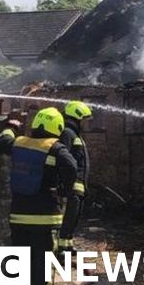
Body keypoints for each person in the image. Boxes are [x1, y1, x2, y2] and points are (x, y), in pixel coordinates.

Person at [0, 108, 78, 285]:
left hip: (18, 215)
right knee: (43, 260)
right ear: (57, 128)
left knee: (17, 257)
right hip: (45, 216)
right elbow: (72, 167)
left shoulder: (19, 142)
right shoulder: (55, 148)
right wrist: (64, 190)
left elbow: (2, 142)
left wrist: (10, 126)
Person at [57, 101, 92, 253]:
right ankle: (60, 249)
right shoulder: (67, 133)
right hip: (72, 187)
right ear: (77, 117)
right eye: (85, 119)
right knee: (67, 218)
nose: (87, 123)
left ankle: (67, 244)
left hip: (78, 186)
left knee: (73, 218)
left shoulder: (74, 134)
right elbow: (64, 160)